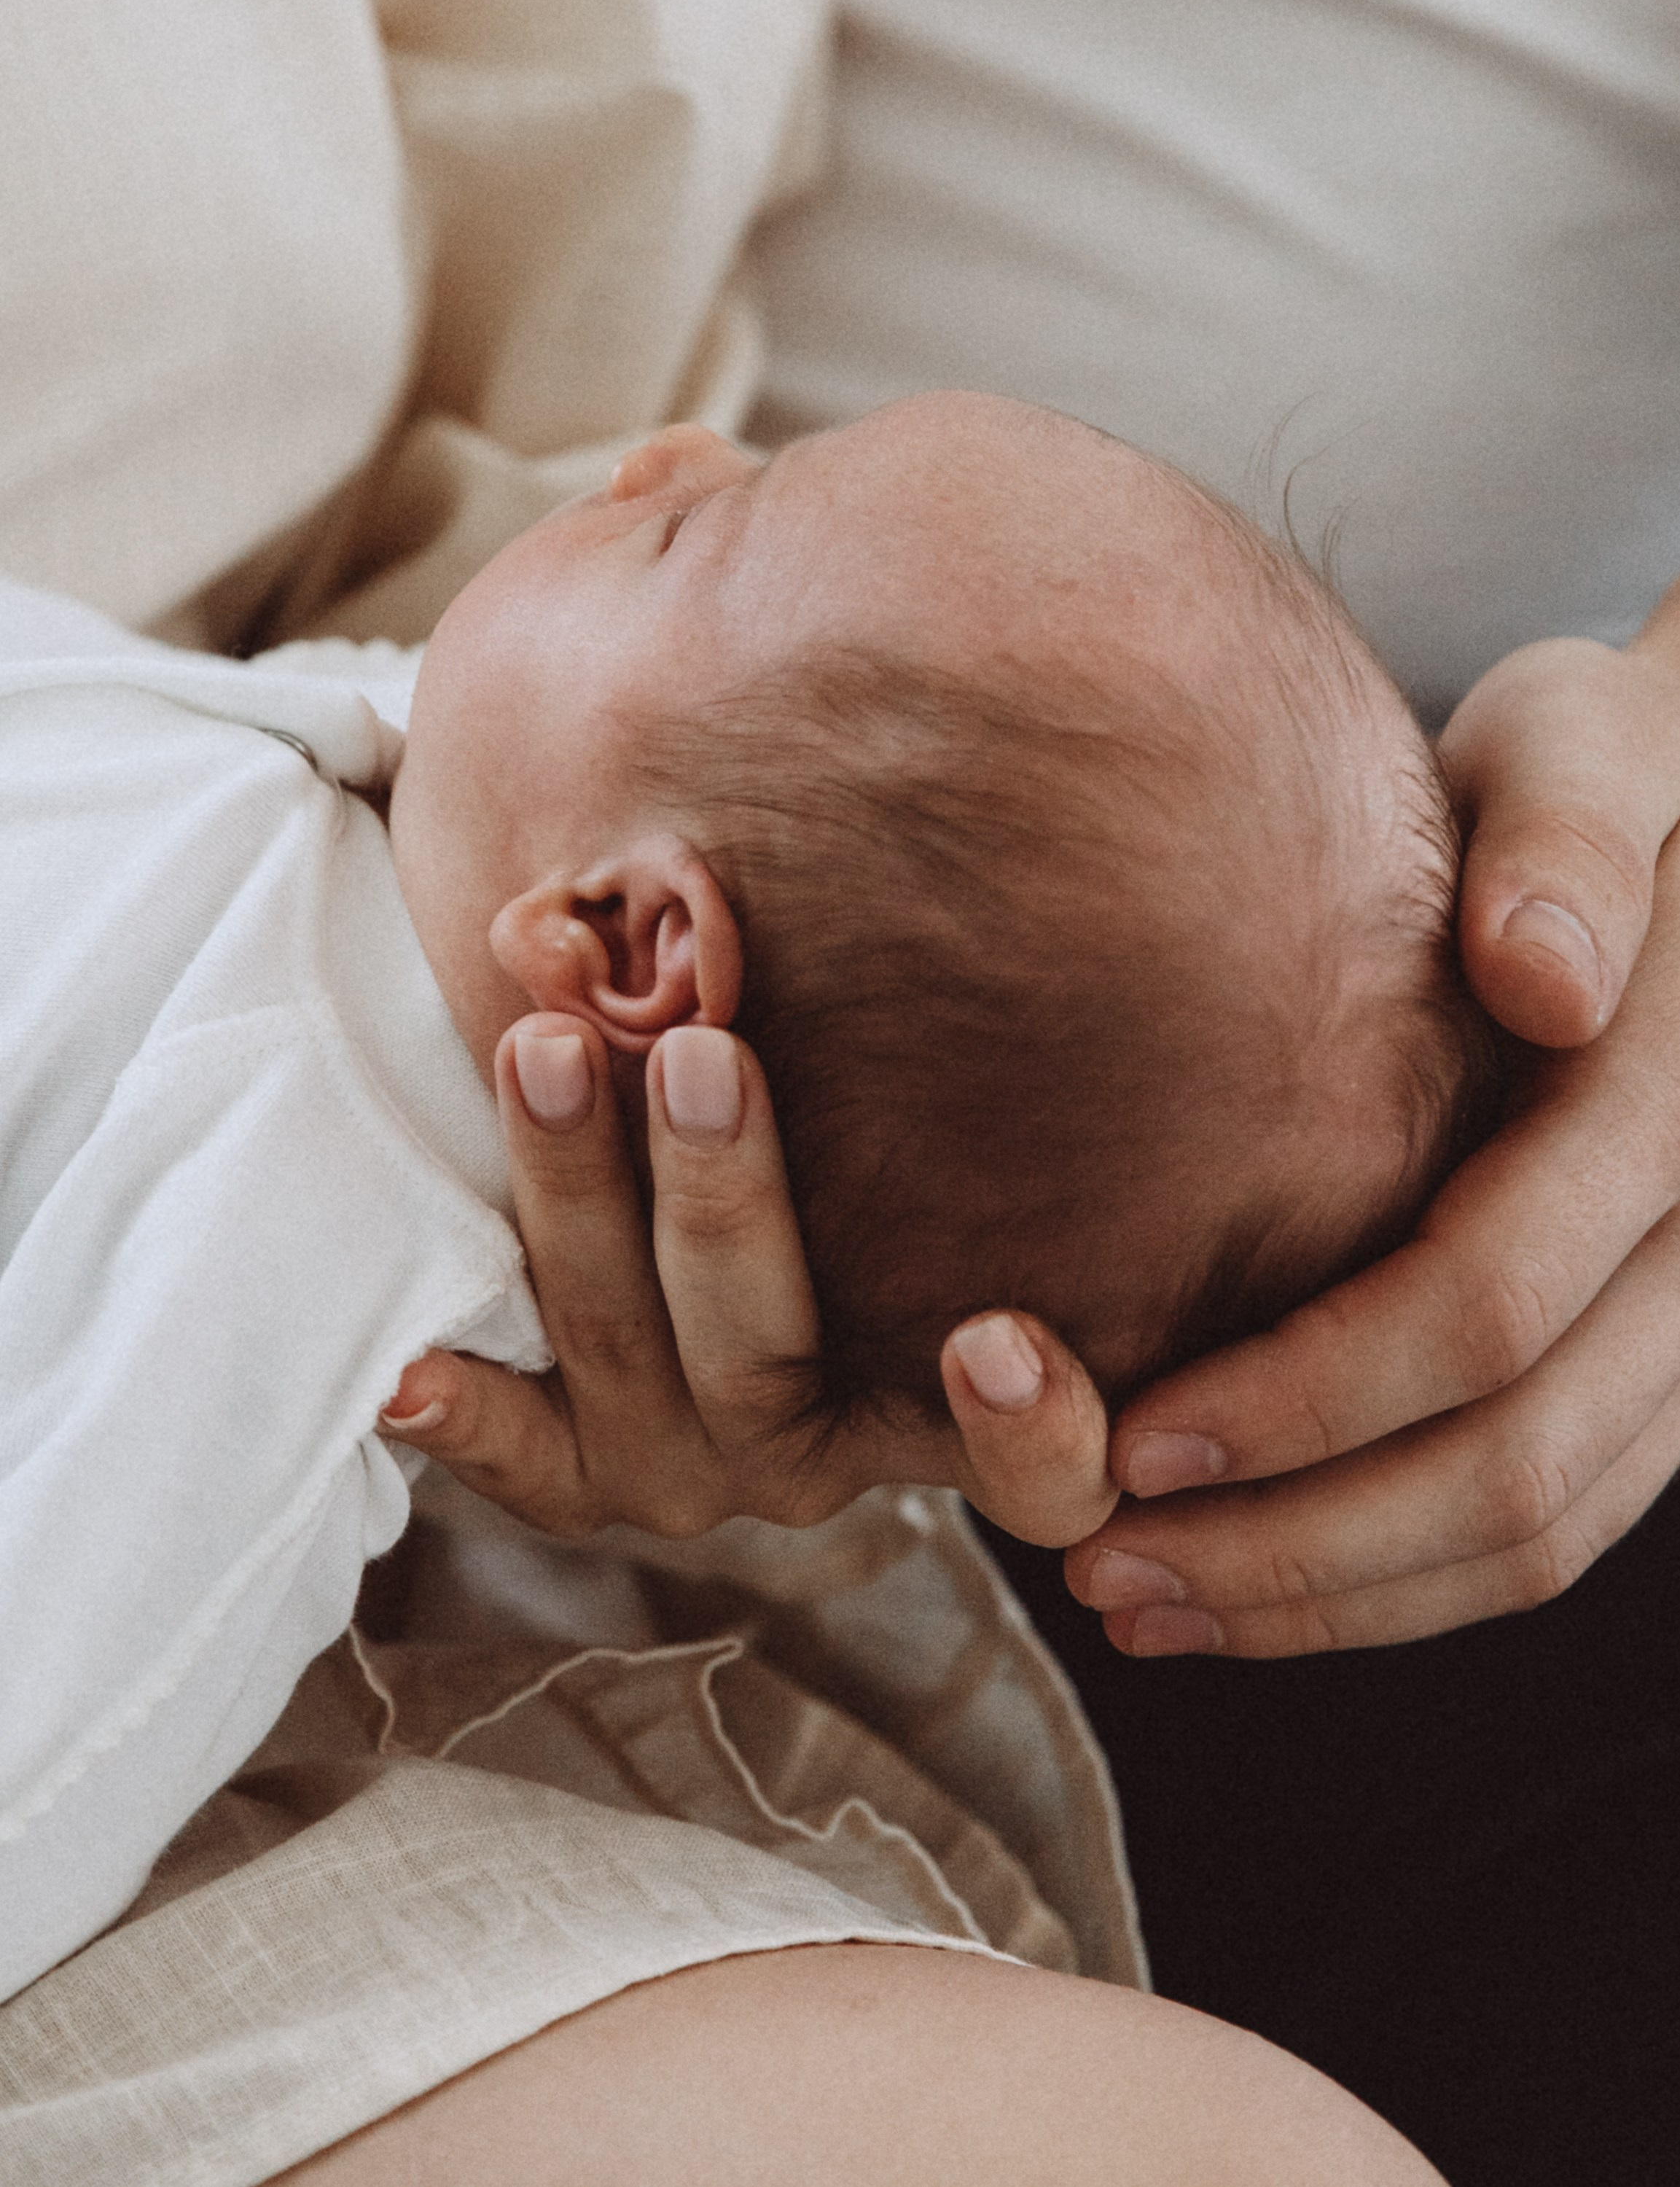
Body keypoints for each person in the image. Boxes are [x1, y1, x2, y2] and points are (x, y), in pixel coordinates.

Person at [0, 386, 1493, 2000]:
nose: (661, 451)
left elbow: (54, 1741)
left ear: (629, 943)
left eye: (684, 532)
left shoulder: (289, 1259)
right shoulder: (417, 808)